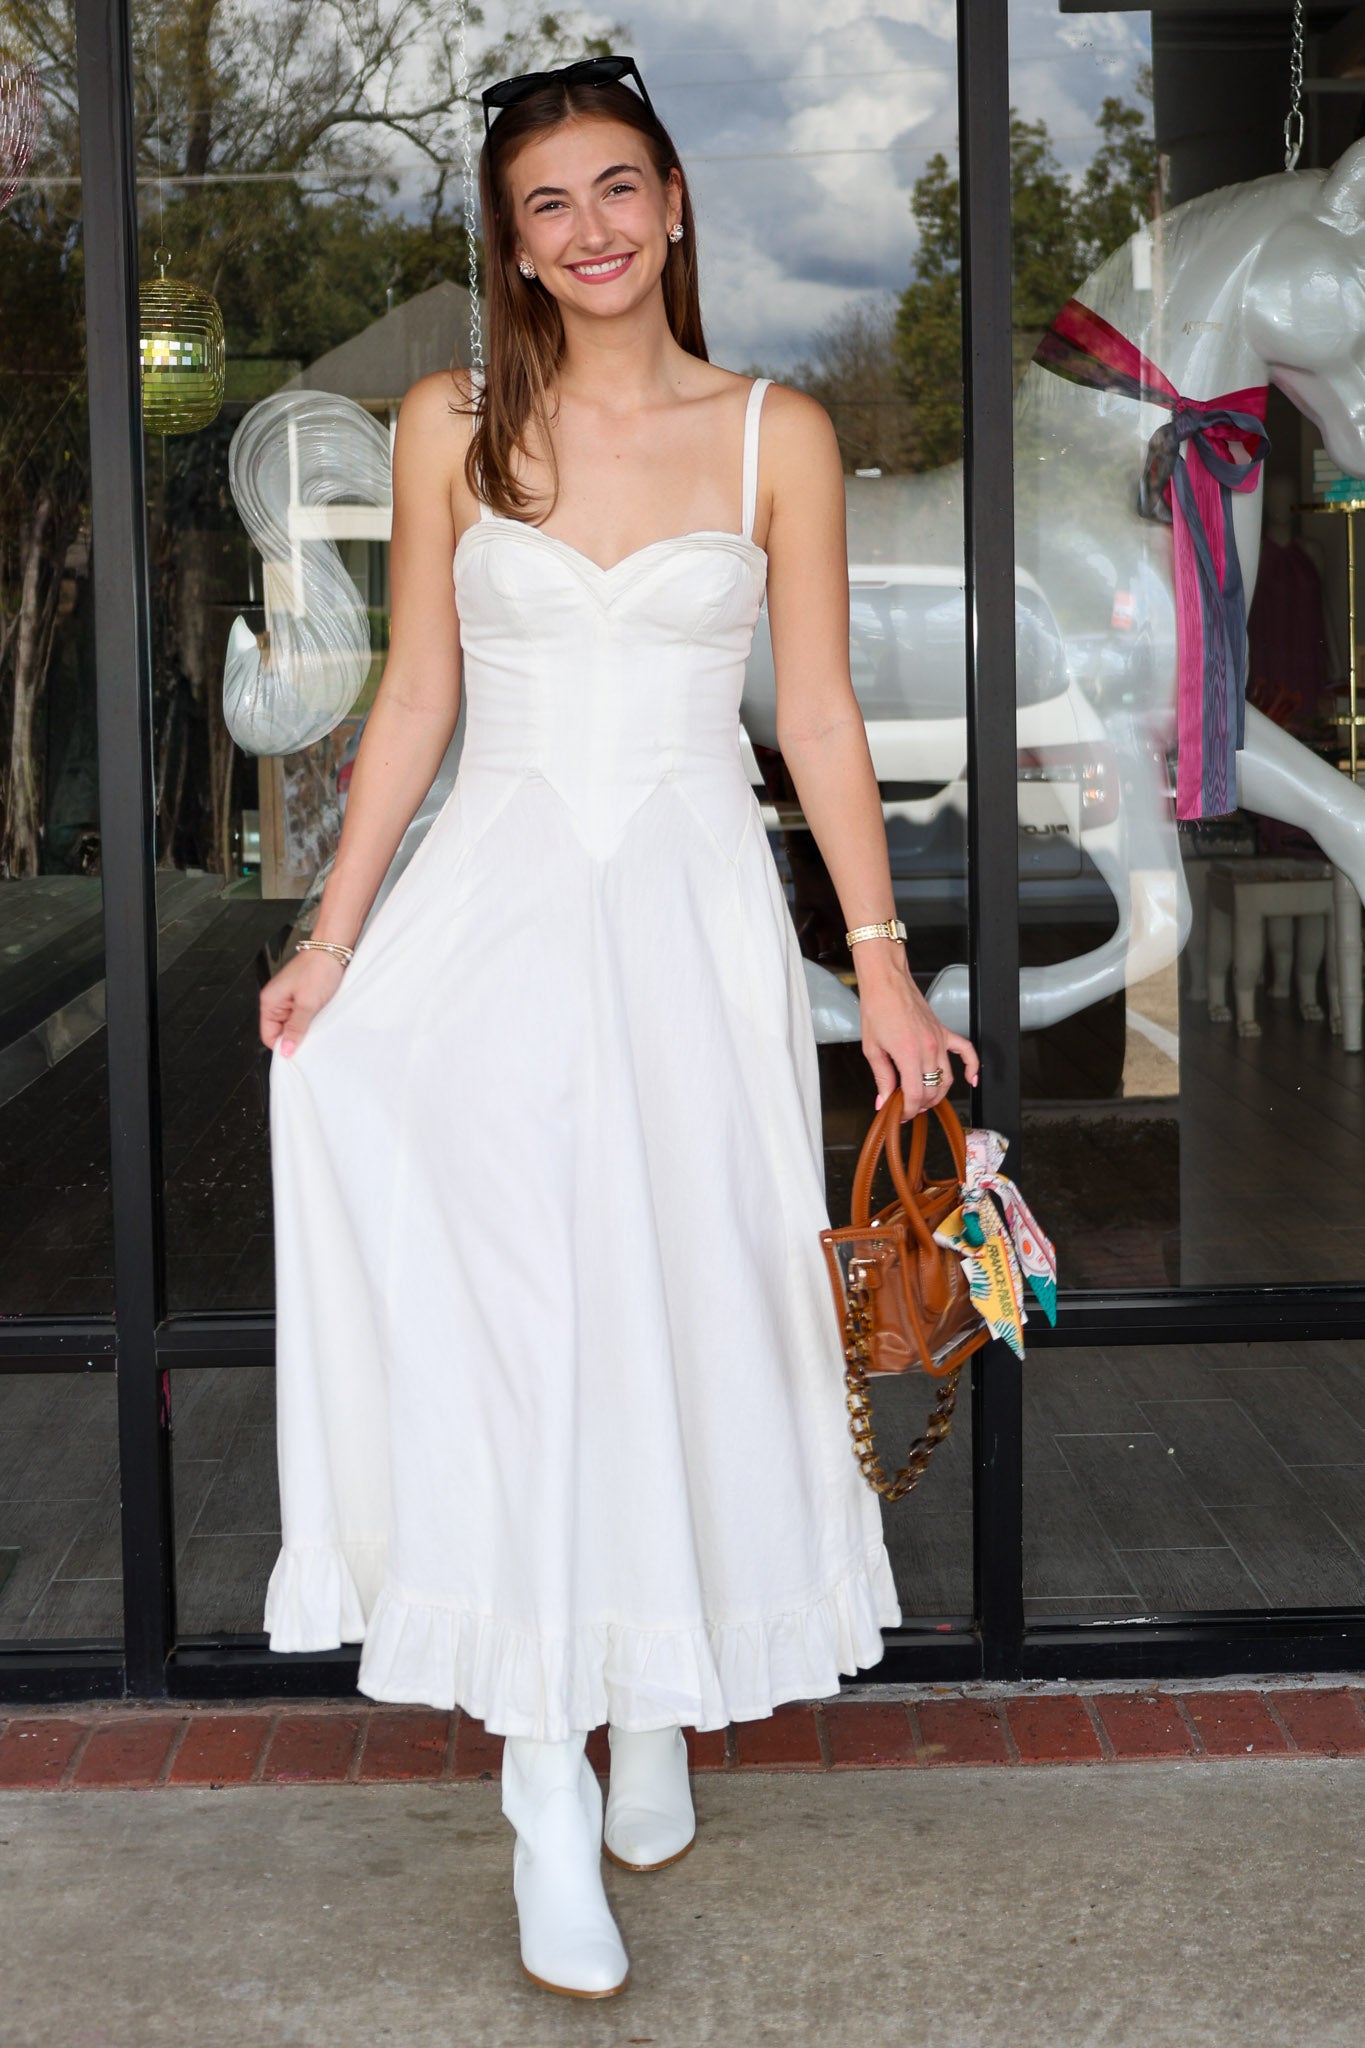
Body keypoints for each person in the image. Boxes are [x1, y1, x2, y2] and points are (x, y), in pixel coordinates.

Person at [257, 53, 979, 2002]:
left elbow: (813, 720)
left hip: (683, 927)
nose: (584, 232)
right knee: (522, 1323)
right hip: (488, 918)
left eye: (613, 189)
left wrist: (885, 964)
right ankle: (540, 1787)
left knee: (669, 1297)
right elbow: (412, 699)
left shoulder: (776, 437)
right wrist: (330, 937)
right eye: (541, 207)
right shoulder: (449, 422)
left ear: (669, 199)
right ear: (508, 242)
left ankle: (649, 1683)